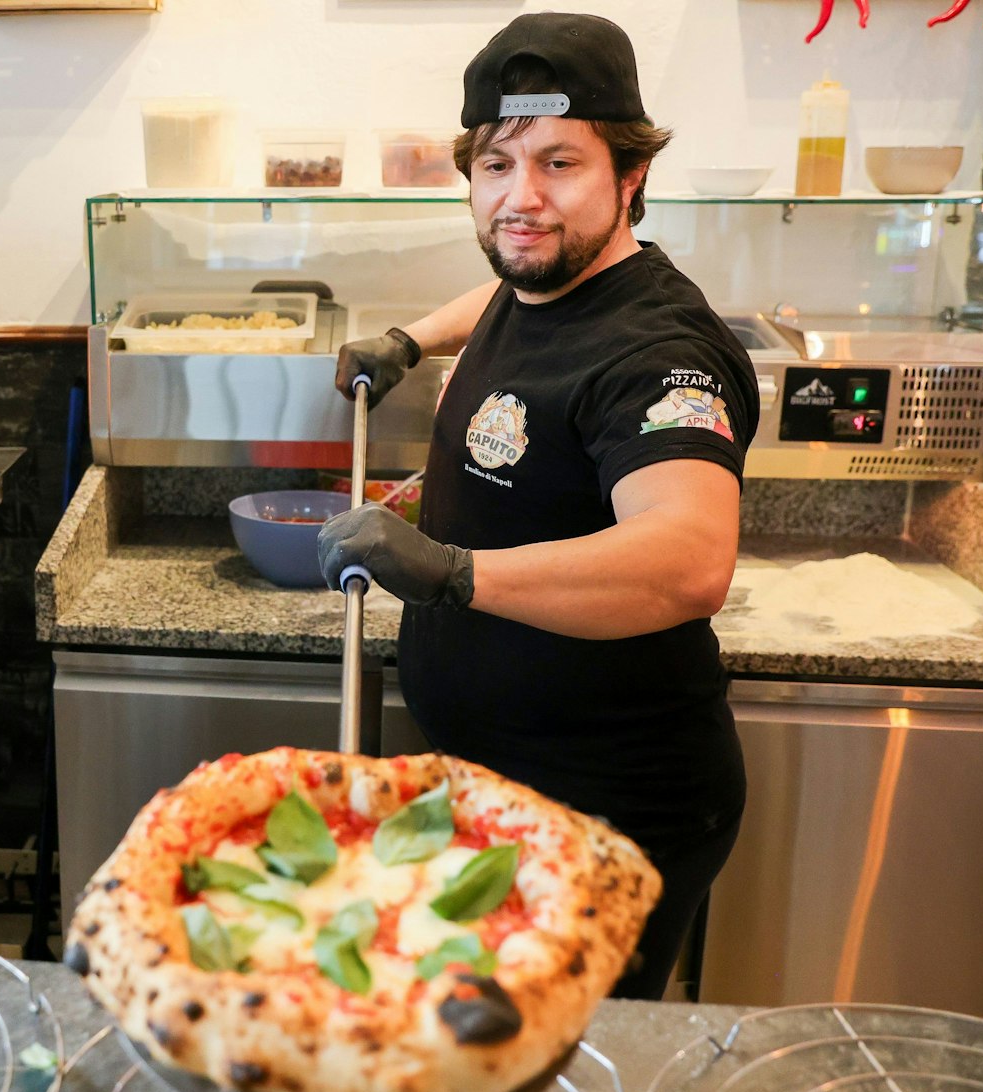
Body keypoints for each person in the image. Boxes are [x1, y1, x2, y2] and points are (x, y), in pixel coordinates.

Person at [316, 11, 759, 1001]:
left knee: (550, 1076)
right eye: (495, 166)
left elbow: (686, 557)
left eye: (559, 163)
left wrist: (451, 573)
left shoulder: (659, 354)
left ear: (629, 177)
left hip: (605, 810)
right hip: (498, 779)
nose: (521, 199)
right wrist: (409, 339)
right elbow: (509, 297)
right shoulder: (551, 279)